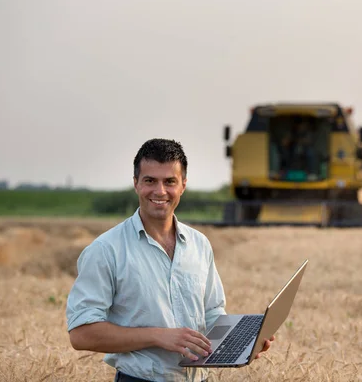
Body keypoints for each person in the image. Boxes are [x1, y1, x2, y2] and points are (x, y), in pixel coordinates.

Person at [66, 138, 274, 382]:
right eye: (150, 181)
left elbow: (211, 314)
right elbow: (81, 334)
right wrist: (157, 336)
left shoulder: (200, 244)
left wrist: (243, 343)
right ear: (136, 184)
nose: (160, 191)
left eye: (170, 182)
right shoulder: (105, 250)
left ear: (183, 185)